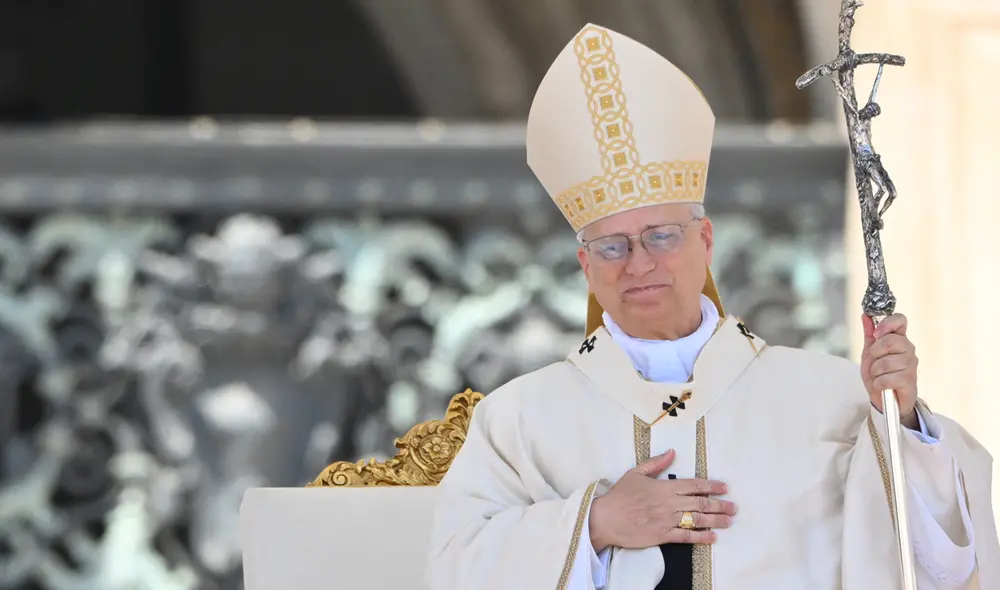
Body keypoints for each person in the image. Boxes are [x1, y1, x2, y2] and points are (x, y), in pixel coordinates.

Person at [425, 23, 999, 590]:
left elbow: (937, 559)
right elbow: (454, 568)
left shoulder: (832, 398)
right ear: (586, 268)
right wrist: (594, 524)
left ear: (705, 241)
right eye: (613, 246)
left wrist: (900, 421)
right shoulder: (519, 419)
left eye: (661, 236)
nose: (639, 263)